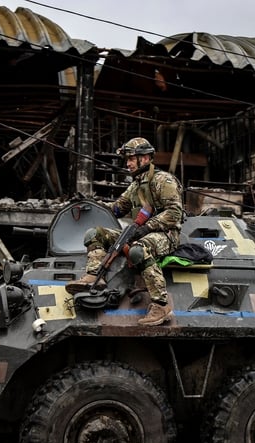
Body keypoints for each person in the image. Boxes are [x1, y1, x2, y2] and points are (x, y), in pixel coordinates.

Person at [66, 137, 184, 326]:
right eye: (127, 159)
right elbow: (117, 208)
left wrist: (146, 227)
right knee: (94, 234)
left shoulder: (164, 180)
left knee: (138, 250)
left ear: (145, 158)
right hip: (140, 231)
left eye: (131, 158)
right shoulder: (136, 185)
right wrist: (88, 205)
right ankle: (95, 276)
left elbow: (174, 213)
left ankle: (161, 304)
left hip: (166, 234)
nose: (128, 163)